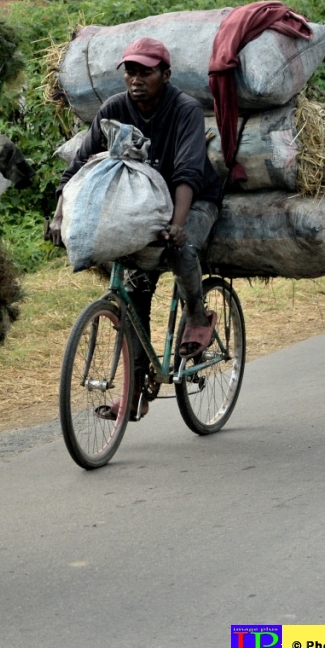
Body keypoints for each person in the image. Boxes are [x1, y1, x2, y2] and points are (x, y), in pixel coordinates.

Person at [47, 37, 223, 421]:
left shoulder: (184, 110)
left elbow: (187, 172)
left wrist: (178, 226)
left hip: (191, 199)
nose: (136, 79)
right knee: (134, 292)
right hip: (139, 208)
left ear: (166, 74)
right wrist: (61, 215)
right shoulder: (114, 109)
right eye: (130, 71)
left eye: (146, 71)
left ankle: (195, 315)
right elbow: (79, 167)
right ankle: (136, 390)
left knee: (183, 249)